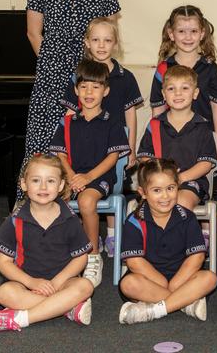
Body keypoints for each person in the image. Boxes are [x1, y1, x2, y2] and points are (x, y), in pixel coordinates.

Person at [22, 0, 121, 200]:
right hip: (51, 79)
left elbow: (109, 34)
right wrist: (53, 66)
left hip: (89, 80)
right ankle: (33, 212)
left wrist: (87, 76)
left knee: (85, 146)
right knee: (45, 145)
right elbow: (33, 32)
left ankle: (79, 213)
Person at [0, 154, 94, 332]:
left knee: (85, 286)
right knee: (4, 293)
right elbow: (4, 263)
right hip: (26, 285)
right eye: (36, 180)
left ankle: (20, 319)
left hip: (63, 283)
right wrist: (32, 283)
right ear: (24, 184)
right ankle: (67, 309)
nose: (43, 187)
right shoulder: (15, 220)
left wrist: (55, 284)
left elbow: (80, 259)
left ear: (61, 185)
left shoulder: (70, 218)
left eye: (50, 181)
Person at [60, 17, 143, 257]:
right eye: (95, 40)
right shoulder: (79, 75)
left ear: (115, 43)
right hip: (85, 143)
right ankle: (86, 236)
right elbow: (69, 114)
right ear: (87, 42)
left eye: (107, 40)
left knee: (110, 185)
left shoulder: (125, 76)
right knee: (75, 191)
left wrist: (132, 148)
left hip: (114, 144)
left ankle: (113, 235)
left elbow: (130, 114)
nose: (101, 45)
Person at [50, 60, 130, 288]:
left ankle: (92, 257)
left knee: (86, 202)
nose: (88, 92)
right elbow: (61, 156)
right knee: (49, 200)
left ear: (105, 91)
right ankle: (58, 255)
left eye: (95, 87)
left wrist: (87, 177)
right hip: (70, 176)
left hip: (100, 178)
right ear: (76, 90)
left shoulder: (112, 122)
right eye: (84, 87)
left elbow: (113, 158)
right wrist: (73, 176)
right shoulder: (66, 122)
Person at [118, 159, 217, 324]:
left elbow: (197, 258)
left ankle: (155, 310)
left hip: (183, 278)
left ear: (178, 186)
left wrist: (175, 284)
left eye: (170, 188)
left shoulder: (188, 217)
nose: (165, 196)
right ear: (142, 192)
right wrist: (164, 284)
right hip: (150, 281)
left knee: (209, 279)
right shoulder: (134, 220)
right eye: (157, 190)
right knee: (128, 284)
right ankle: (186, 304)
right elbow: (135, 263)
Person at [151, 5, 217, 186]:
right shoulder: (163, 68)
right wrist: (155, 143)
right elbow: (158, 110)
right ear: (171, 34)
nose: (188, 36)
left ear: (202, 33)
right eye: (181, 31)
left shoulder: (210, 68)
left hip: (201, 141)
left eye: (193, 31)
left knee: (198, 190)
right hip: (171, 142)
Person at [138, 65, 217, 212]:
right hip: (159, 183)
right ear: (163, 94)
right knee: (150, 204)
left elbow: (206, 163)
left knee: (181, 202)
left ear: (195, 93)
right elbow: (144, 157)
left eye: (185, 88)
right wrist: (162, 175)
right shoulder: (155, 125)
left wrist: (179, 178)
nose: (178, 93)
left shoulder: (203, 126)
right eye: (171, 89)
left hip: (190, 182)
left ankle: (184, 234)